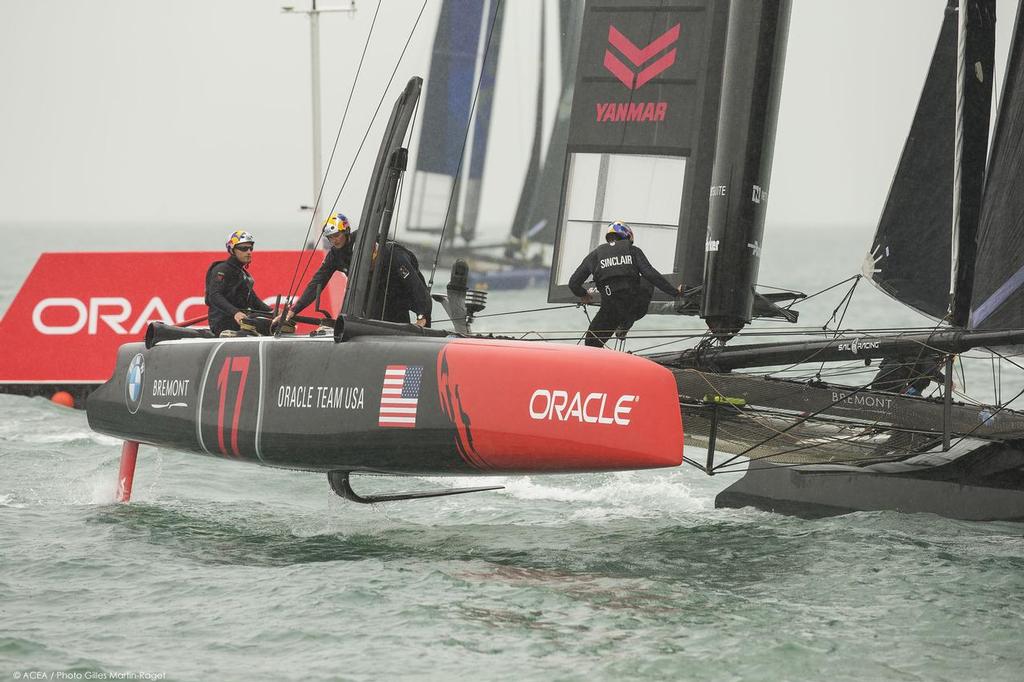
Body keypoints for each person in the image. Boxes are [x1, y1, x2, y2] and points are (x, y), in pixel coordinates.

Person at [568, 220, 682, 348]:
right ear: (627, 236)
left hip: (610, 307)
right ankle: (625, 324)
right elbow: (651, 275)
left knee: (591, 345)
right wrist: (675, 292)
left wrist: (583, 294)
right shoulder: (633, 250)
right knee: (646, 282)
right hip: (632, 306)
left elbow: (573, 283)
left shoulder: (595, 255)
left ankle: (595, 364)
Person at [282, 212, 356, 321]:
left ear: (346, 231)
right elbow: (317, 282)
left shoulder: (362, 237)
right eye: (330, 238)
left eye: (336, 235)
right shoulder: (334, 255)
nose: (334, 240)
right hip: (363, 293)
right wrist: (294, 310)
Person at [205, 230, 272, 336]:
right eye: (244, 248)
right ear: (232, 250)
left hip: (243, 321)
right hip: (223, 323)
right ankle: (237, 335)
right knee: (261, 321)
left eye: (251, 248)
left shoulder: (242, 274)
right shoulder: (222, 269)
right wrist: (235, 312)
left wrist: (274, 312)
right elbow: (214, 295)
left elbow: (255, 302)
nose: (249, 252)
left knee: (275, 322)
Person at [369, 239, 432, 327]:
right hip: (389, 299)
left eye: (370, 263)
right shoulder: (363, 268)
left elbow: (416, 287)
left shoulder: (397, 259)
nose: (368, 268)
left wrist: (421, 316)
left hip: (408, 296)